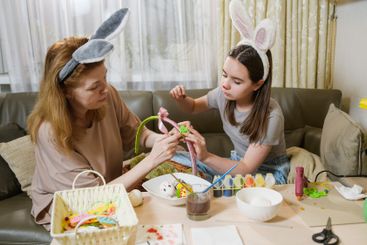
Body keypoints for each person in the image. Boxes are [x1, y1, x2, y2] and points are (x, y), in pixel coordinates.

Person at [27, 10, 181, 229]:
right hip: (73, 205)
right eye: (94, 87)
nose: (105, 90)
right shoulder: (50, 132)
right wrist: (152, 160)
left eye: (105, 78)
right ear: (66, 92)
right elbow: (93, 199)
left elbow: (140, 134)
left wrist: (167, 139)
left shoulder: (107, 97)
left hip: (111, 187)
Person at [169, 0, 290, 184]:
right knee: (174, 158)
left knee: (213, 186)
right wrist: (181, 99)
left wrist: (206, 157)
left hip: (268, 173)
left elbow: (247, 168)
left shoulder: (271, 116)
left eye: (237, 81)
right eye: (224, 75)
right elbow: (193, 107)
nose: (225, 84)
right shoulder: (223, 94)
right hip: (237, 163)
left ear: (257, 84)